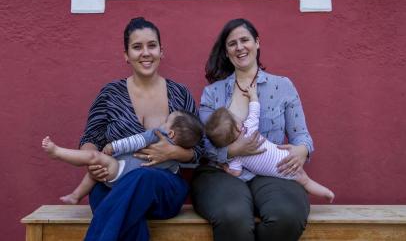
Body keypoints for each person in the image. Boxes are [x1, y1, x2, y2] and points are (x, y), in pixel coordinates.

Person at [76, 17, 203, 241]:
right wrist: (93, 160)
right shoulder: (110, 94)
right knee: (127, 215)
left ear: (161, 51)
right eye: (137, 47)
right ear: (126, 55)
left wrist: (174, 153)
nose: (145, 52)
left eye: (151, 45)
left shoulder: (180, 94)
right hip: (111, 183)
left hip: (163, 188)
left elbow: (201, 150)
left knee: (142, 178)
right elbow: (90, 138)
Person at [192, 18, 315, 241]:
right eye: (232, 44)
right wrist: (233, 151)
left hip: (271, 171)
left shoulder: (283, 86)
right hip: (222, 172)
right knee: (233, 217)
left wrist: (302, 151)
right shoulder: (212, 93)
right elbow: (203, 145)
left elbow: (302, 136)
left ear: (257, 43)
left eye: (245, 40)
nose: (239, 47)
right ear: (227, 52)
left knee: (286, 216)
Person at [204, 84, 334, 202]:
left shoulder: (236, 157)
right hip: (286, 158)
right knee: (305, 181)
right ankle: (327, 192)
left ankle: (325, 193)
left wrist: (225, 168)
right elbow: (255, 110)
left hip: (281, 171)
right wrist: (253, 95)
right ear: (238, 126)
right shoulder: (250, 128)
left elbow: (236, 173)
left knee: (305, 182)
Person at [42, 110, 203, 204]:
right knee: (95, 169)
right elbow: (173, 173)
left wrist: (113, 146)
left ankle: (57, 153)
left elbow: (135, 141)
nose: (163, 122)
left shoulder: (156, 134)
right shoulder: (173, 163)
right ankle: (76, 195)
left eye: (167, 121)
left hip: (120, 169)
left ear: (171, 133)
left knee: (93, 157)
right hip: (131, 182)